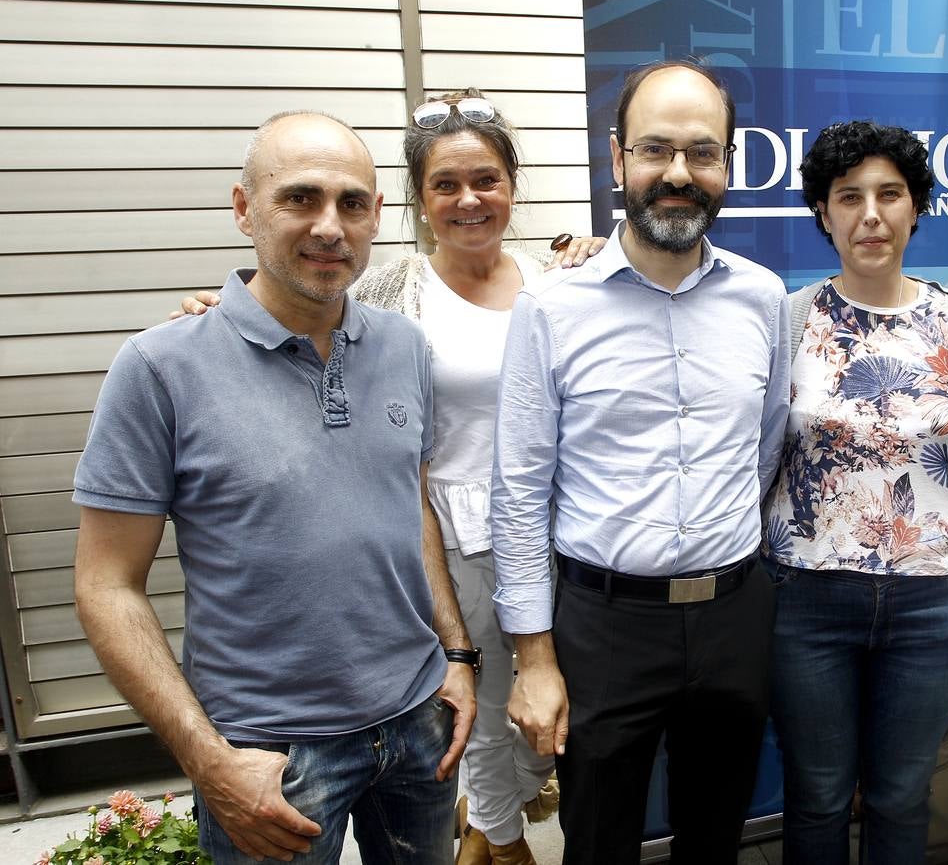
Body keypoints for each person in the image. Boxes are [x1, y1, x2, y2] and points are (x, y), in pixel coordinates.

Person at [171, 91, 604, 865]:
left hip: (557, 534)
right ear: (415, 201)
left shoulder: (562, 282)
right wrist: (213, 311)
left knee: (547, 708)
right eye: (445, 185)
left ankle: (496, 808)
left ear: (513, 187)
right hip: (447, 534)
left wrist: (599, 254)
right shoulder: (391, 290)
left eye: (486, 179)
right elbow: (295, 303)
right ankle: (502, 842)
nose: (469, 199)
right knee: (478, 700)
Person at [73, 111, 478, 864]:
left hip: (419, 728)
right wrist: (208, 758)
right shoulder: (160, 368)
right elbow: (106, 587)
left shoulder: (405, 348)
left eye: (353, 203)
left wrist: (456, 655)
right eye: (301, 198)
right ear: (243, 208)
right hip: (272, 755)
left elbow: (409, 503)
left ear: (377, 218)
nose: (330, 226)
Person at [491, 60, 790, 865]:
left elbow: (763, 450)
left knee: (714, 839)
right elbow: (519, 494)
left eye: (703, 152)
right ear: (618, 158)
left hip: (734, 613)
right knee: (599, 842)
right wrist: (535, 660)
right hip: (603, 625)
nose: (679, 174)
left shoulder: (763, 299)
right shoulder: (552, 309)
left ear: (729, 164)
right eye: (657, 150)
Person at [760, 120, 948, 864]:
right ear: (823, 214)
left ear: (917, 207)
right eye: (849, 196)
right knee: (820, 793)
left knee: (901, 795)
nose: (871, 214)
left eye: (890, 194)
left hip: (933, 601)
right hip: (807, 599)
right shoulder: (790, 319)